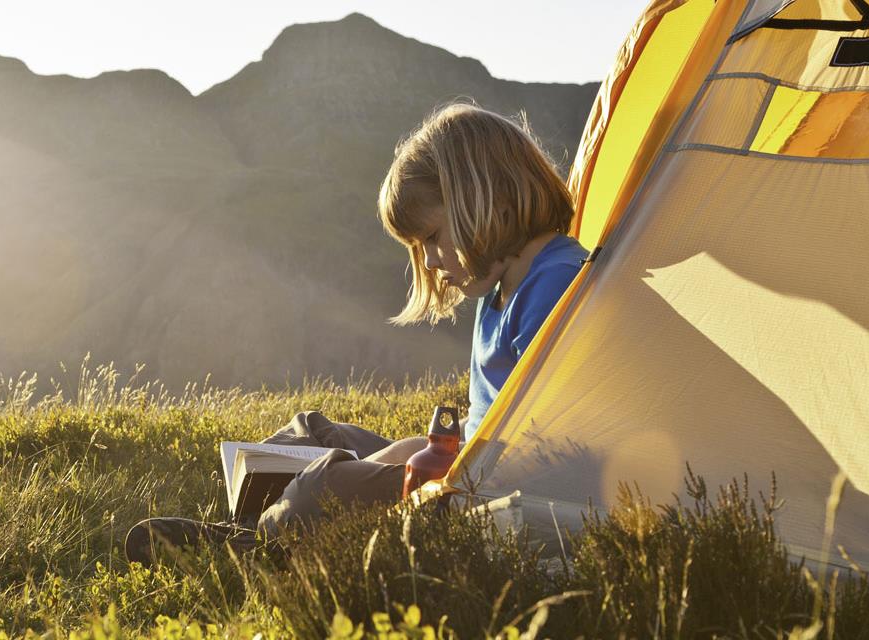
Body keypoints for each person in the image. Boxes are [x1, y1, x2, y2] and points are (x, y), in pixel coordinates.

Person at [125, 103, 593, 565]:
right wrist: (406, 456)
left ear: (487, 199)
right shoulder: (501, 288)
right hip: (467, 464)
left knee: (323, 487)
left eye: (432, 237)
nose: (429, 262)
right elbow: (479, 432)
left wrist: (409, 468)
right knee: (306, 431)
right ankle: (263, 525)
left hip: (488, 489)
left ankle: (252, 541)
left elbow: (558, 453)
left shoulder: (553, 286)